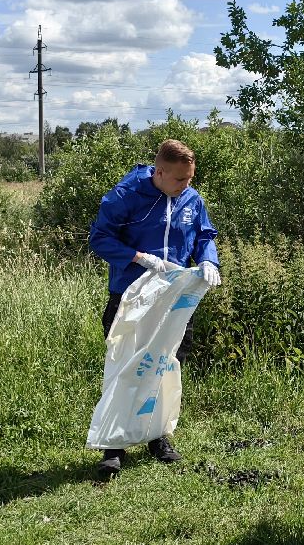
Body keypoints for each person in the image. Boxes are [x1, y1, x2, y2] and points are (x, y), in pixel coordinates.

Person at [88, 138, 220, 480]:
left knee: (165, 365)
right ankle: (112, 447)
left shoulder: (191, 198)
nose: (186, 185)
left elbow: (204, 235)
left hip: (174, 300)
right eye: (179, 179)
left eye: (190, 178)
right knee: (127, 365)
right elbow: (100, 238)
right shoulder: (126, 196)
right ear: (158, 172)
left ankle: (158, 436)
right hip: (131, 295)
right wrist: (138, 258)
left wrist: (208, 260)